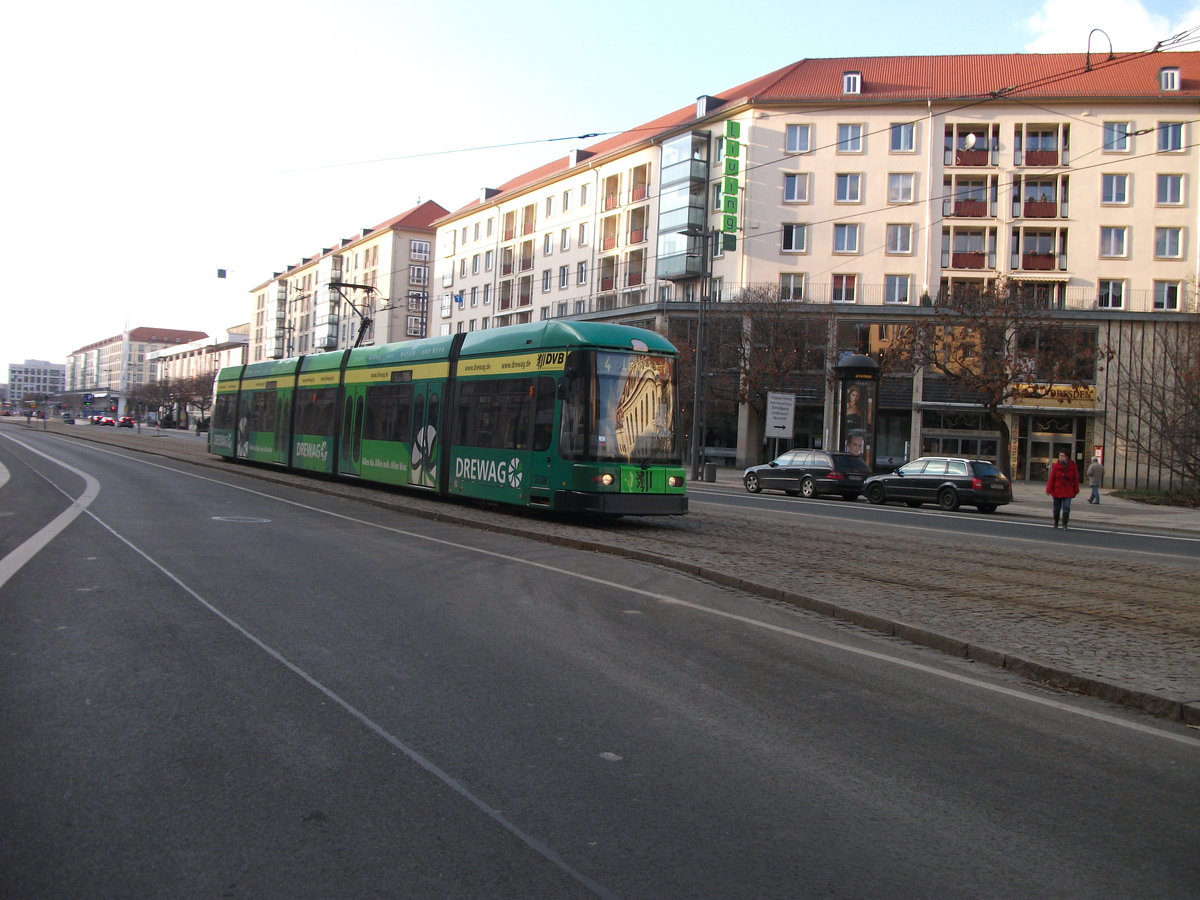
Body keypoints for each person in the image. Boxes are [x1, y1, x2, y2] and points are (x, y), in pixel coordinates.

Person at [1045, 450, 1080, 529]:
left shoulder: (1072, 467)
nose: (1060, 457)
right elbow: (1052, 479)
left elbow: (1075, 479)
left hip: (1068, 491)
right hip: (1057, 490)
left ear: (1066, 457)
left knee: (1066, 508)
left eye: (1062, 456)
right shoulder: (1056, 466)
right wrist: (1048, 489)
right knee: (1056, 508)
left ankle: (1064, 523)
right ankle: (1056, 522)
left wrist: (1076, 489)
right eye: (1060, 455)